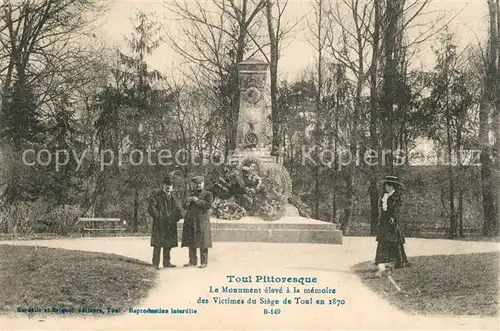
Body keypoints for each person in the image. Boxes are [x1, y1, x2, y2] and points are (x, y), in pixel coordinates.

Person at [375, 175, 410, 277]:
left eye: (390, 186)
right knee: (383, 241)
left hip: (392, 222)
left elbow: (397, 209)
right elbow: (382, 210)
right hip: (384, 222)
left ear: (394, 186)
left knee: (394, 241)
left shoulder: (396, 197)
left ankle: (397, 261)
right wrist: (380, 219)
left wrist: (393, 217)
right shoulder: (384, 196)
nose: (388, 187)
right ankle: (381, 261)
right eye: (387, 185)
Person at [148, 174, 182, 270]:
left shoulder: (174, 197)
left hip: (170, 223)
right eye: (167, 184)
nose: (168, 186)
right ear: (163, 185)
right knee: (158, 244)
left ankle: (166, 262)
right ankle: (155, 263)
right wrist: (158, 217)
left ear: (172, 186)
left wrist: (177, 217)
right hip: (160, 223)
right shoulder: (156, 195)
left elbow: (178, 209)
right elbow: (152, 208)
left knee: (168, 244)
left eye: (170, 185)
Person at [181, 176, 214, 268]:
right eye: (196, 184)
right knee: (191, 239)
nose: (198, 185)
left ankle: (204, 262)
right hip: (191, 220)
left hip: (202, 220)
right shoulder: (190, 193)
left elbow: (208, 205)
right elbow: (184, 206)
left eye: (199, 183)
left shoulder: (208, 194)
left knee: (203, 241)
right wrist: (187, 202)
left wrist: (197, 200)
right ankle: (192, 261)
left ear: (203, 183)